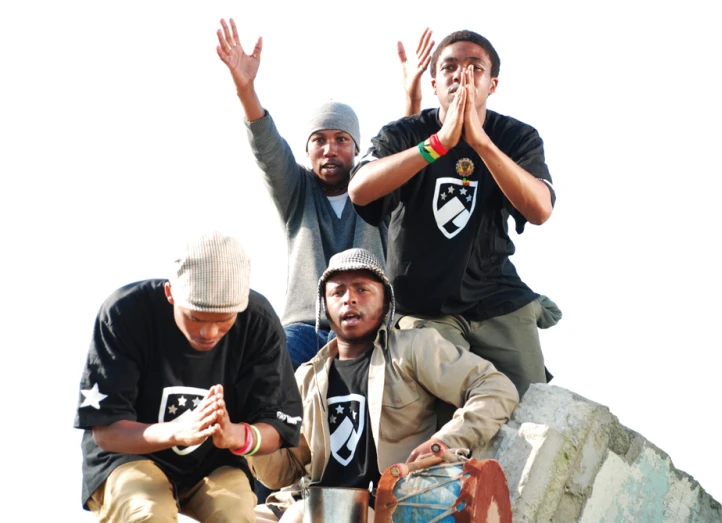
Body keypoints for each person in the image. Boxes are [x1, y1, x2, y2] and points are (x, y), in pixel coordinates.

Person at [349, 30, 560, 399]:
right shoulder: (405, 132)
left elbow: (540, 209)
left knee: (532, 409)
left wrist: (480, 142)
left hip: (497, 300)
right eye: (449, 66)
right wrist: (438, 145)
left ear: (492, 84)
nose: (461, 74)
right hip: (424, 308)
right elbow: (360, 187)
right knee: (454, 413)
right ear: (434, 83)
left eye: (475, 67)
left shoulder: (516, 136)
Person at [216, 19, 433, 369]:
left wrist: (413, 97)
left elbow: (401, 161)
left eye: (341, 139)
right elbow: (267, 147)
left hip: (371, 323)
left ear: (357, 148)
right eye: (319, 140)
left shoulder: (375, 190)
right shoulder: (296, 191)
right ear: (307, 150)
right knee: (269, 370)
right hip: (306, 325)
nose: (330, 149)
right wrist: (246, 89)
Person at [250, 248, 519, 523]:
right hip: (310, 502)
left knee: (302, 515)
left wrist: (444, 441)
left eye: (362, 289)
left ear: (386, 300)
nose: (349, 299)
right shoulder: (307, 377)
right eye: (338, 292)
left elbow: (495, 387)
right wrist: (248, 432)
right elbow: (283, 472)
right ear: (324, 304)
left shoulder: (414, 348)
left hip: (388, 506)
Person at [74, 231, 303, 523]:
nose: (209, 333)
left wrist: (238, 436)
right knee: (148, 513)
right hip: (127, 456)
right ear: (170, 293)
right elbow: (106, 433)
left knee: (236, 516)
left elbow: (278, 426)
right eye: (195, 317)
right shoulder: (125, 312)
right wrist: (176, 431)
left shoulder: (258, 321)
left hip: (215, 462)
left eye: (224, 320)